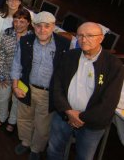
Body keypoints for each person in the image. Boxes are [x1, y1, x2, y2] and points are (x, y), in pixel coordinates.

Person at [47, 22, 124, 160]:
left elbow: (109, 102)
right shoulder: (69, 56)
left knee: (84, 157)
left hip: (91, 125)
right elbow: (56, 85)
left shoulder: (114, 65)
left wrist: (80, 117)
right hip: (63, 115)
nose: (83, 39)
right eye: (80, 35)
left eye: (89, 35)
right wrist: (68, 111)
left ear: (101, 38)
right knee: (54, 151)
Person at [11, 11, 70, 160]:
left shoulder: (64, 44)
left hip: (48, 93)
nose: (42, 30)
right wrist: (15, 86)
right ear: (33, 26)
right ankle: (25, 141)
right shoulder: (25, 41)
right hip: (27, 88)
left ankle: (36, 148)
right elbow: (16, 64)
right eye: (38, 26)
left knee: (42, 125)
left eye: (47, 26)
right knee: (24, 118)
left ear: (53, 27)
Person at [0, 9, 32, 132]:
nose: (18, 24)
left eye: (22, 21)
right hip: (5, 74)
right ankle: (2, 117)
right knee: (2, 98)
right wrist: (0, 75)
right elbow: (0, 55)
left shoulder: (32, 38)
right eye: (15, 21)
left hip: (21, 77)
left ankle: (12, 121)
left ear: (28, 23)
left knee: (17, 101)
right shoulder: (7, 33)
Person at [0, 0, 25, 117]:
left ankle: (6, 105)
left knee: (13, 82)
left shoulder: (26, 15)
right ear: (7, 1)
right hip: (1, 53)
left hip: (19, 57)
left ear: (20, 2)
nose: (13, 2)